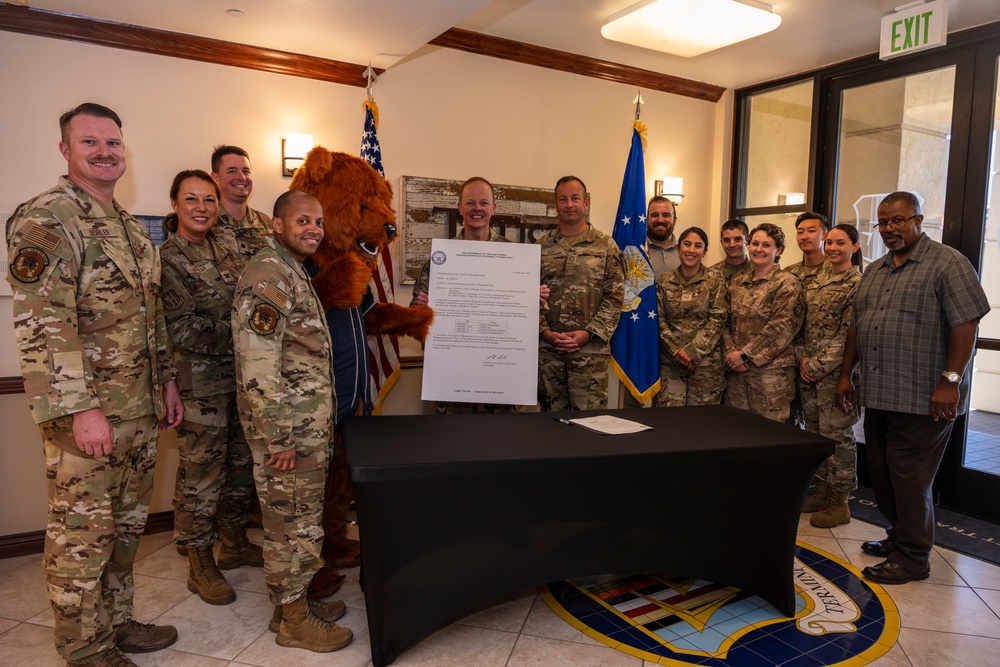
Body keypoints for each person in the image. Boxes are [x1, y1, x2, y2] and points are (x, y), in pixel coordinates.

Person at [5, 103, 182, 667]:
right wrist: (80, 409)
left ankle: (117, 623)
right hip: (88, 416)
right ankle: (84, 649)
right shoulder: (48, 219)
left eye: (113, 141)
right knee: (82, 537)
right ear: (65, 150)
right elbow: (43, 323)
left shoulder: (129, 228)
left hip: (137, 409)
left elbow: (150, 316)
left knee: (125, 529)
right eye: (90, 142)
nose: (105, 151)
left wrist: (168, 386)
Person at [837, 192, 989, 585]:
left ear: (918, 220)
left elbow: (966, 325)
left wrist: (950, 382)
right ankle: (900, 535)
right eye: (883, 222)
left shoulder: (948, 263)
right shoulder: (875, 270)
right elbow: (857, 325)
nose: (890, 228)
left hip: (925, 397)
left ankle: (913, 558)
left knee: (909, 478)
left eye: (898, 220)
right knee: (882, 473)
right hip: (880, 392)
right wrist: (845, 375)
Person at [233, 190, 352, 652]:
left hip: (302, 429)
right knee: (292, 527)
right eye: (303, 220)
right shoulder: (269, 275)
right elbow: (257, 365)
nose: (314, 229)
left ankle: (292, 605)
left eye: (318, 221)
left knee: (297, 522)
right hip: (288, 434)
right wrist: (279, 436)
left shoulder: (290, 270)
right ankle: (294, 624)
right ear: (278, 225)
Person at [159, 170, 263, 607]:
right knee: (202, 474)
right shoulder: (168, 259)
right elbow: (181, 327)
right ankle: (200, 561)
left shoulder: (229, 247)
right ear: (175, 205)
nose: (201, 207)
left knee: (241, 463)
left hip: (242, 379)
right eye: (191, 199)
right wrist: (246, 333)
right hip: (199, 385)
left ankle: (234, 540)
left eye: (208, 199)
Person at [411, 176, 549, 413]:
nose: (477, 209)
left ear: (493, 209)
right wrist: (419, 311)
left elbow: (524, 322)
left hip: (502, 387)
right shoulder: (440, 260)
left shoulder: (516, 258)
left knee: (503, 448)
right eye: (471, 202)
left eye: (484, 203)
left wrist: (532, 302)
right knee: (454, 449)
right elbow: (416, 320)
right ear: (460, 207)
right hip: (454, 385)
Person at [538, 176, 625, 411]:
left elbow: (615, 298)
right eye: (563, 199)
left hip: (589, 353)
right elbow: (528, 298)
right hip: (548, 353)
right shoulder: (542, 246)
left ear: (586, 202)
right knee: (548, 426)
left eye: (575, 198)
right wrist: (545, 332)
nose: (569, 204)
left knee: (590, 424)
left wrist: (589, 334)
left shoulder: (606, 245)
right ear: (556, 205)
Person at [797, 224, 863, 528]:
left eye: (840, 242)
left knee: (838, 437)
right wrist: (803, 360)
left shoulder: (857, 282)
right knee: (815, 433)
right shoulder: (817, 278)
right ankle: (822, 489)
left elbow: (849, 334)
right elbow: (802, 322)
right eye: (830, 242)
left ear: (855, 246)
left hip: (837, 374)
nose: (833, 247)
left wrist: (819, 365)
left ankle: (840, 501)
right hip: (808, 371)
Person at [723, 223, 804, 423]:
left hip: (770, 377)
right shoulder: (736, 283)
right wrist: (732, 354)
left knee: (770, 438)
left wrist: (744, 355)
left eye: (766, 245)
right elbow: (724, 322)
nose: (759, 249)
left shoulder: (787, 283)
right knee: (737, 432)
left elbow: (782, 327)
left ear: (779, 250)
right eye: (755, 244)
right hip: (737, 374)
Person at [654, 227, 728, 407]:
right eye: (687, 244)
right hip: (670, 363)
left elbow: (718, 320)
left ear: (705, 252)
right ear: (679, 248)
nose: (691, 250)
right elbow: (658, 319)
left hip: (706, 366)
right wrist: (678, 352)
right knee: (669, 419)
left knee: (702, 423)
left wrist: (692, 352)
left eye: (698, 246)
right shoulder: (664, 281)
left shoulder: (715, 280)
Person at [211, 145, 270, 261]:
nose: (242, 177)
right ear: (215, 178)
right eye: (232, 171)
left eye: (246, 171)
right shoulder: (205, 222)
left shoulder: (267, 224)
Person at [786, 212, 830, 289]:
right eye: (800, 232)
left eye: (811, 231)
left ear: (825, 236)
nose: (804, 237)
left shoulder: (835, 270)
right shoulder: (788, 273)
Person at [645, 195, 680, 279]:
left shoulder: (683, 252)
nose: (660, 220)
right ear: (647, 220)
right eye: (655, 215)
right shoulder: (637, 251)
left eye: (666, 215)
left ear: (674, 220)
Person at [711, 219, 752, 284]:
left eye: (738, 239)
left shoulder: (757, 272)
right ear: (721, 242)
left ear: (747, 240)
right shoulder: (711, 273)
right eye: (727, 240)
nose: (732, 245)